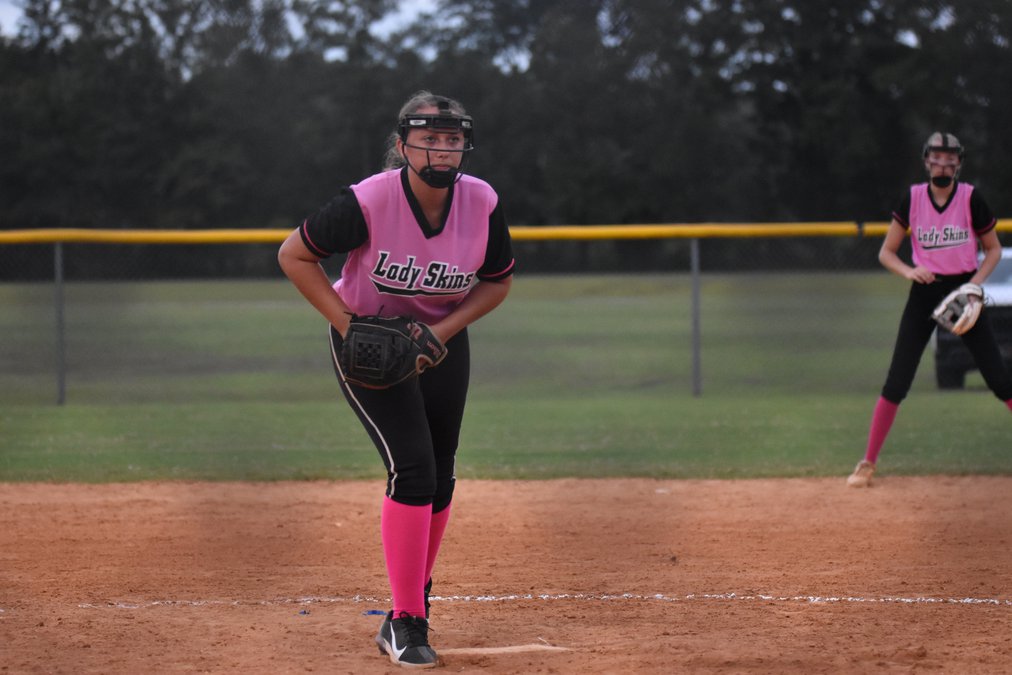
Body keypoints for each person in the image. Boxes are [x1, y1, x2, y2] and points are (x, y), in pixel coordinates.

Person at [278, 90, 515, 667]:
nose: (442, 149)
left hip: (441, 342)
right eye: (429, 138)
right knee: (412, 469)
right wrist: (350, 327)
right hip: (369, 347)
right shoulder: (369, 199)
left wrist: (441, 332)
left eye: (452, 138)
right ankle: (407, 622)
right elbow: (293, 255)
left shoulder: (481, 200)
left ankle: (411, 600)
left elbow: (497, 280)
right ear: (403, 144)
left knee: (441, 474)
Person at [847, 131, 1012, 488]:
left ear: (958, 164)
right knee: (897, 381)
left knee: (1000, 380)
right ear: (926, 161)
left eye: (950, 160)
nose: (943, 165)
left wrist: (973, 287)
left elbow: (994, 249)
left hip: (963, 292)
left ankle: (868, 463)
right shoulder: (913, 198)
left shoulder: (970, 197)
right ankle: (868, 463)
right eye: (936, 159)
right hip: (924, 293)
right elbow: (886, 252)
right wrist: (909, 271)